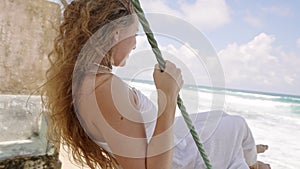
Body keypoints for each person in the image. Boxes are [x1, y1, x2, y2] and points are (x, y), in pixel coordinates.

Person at [42, 0, 271, 168]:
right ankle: (251, 162)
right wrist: (168, 96)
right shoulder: (107, 89)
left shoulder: (87, 80)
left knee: (221, 116)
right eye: (134, 34)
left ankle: (243, 152)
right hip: (176, 159)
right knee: (238, 125)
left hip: (167, 144)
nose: (134, 44)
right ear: (116, 34)